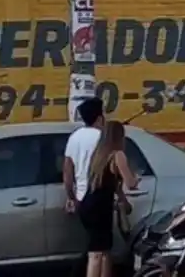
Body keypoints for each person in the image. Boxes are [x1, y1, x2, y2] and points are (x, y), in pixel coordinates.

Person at [80, 121, 140, 277]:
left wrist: (123, 201)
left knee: (103, 251)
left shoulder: (99, 155)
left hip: (90, 205)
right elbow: (130, 183)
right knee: (98, 253)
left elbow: (114, 185)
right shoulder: (118, 155)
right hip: (100, 209)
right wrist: (136, 177)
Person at [64, 97, 106, 214]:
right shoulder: (103, 137)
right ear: (99, 118)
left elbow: (67, 173)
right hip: (101, 198)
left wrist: (71, 197)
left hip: (81, 198)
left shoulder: (74, 137)